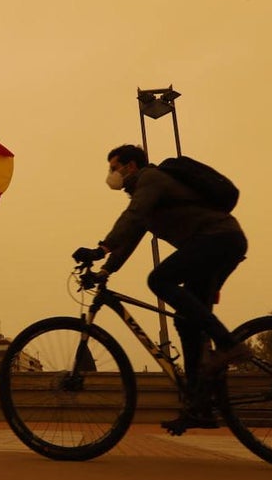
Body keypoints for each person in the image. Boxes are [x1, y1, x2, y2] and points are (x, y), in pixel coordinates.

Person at [74, 144, 248, 430]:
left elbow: (133, 216)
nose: (111, 174)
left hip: (218, 239)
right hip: (214, 244)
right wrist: (105, 270)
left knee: (158, 279)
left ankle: (229, 344)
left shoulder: (150, 180)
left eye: (114, 167)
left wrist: (101, 247)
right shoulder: (146, 194)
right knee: (186, 322)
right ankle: (199, 408)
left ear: (131, 166)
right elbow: (131, 236)